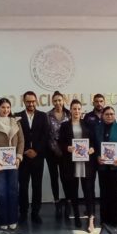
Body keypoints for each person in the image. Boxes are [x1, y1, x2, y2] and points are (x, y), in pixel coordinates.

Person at [0, 98, 24, 230]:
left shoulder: (16, 121)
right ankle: (3, 220)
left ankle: (13, 219)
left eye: (8, 107)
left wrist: (18, 157)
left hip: (13, 162)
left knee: (13, 191)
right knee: (1, 191)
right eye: (3, 107)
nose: (6, 110)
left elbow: (21, 141)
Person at [59, 99, 96, 231]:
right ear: (70, 110)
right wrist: (67, 148)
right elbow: (60, 142)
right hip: (71, 163)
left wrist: (92, 149)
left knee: (88, 191)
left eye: (79, 109)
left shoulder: (88, 124)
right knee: (73, 191)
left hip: (86, 163)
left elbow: (93, 141)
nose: (76, 111)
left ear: (82, 110)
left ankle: (90, 218)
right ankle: (76, 216)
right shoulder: (64, 126)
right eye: (74, 109)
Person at [16, 91, 49, 224]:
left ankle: (35, 212)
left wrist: (36, 150)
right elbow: (15, 136)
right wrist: (24, 150)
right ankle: (23, 212)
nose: (31, 104)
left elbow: (45, 135)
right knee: (23, 187)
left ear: (36, 101)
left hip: (37, 157)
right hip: (23, 157)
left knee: (37, 186)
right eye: (28, 101)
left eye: (33, 101)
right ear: (24, 102)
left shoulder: (43, 116)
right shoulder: (17, 116)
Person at [95, 106, 117, 226]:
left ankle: (115, 219)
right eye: (107, 114)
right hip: (103, 166)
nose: (109, 116)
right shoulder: (97, 128)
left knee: (115, 193)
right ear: (102, 115)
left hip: (116, 166)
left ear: (114, 115)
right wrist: (97, 157)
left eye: (111, 114)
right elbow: (94, 146)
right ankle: (104, 219)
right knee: (104, 193)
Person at [46, 91, 71, 220]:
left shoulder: (69, 114)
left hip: (66, 152)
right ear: (52, 102)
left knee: (66, 177)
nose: (57, 103)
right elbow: (46, 134)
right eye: (55, 100)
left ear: (63, 101)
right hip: (51, 152)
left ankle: (68, 202)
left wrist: (64, 149)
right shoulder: (47, 115)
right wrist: (55, 149)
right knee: (54, 177)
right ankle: (57, 202)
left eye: (59, 100)